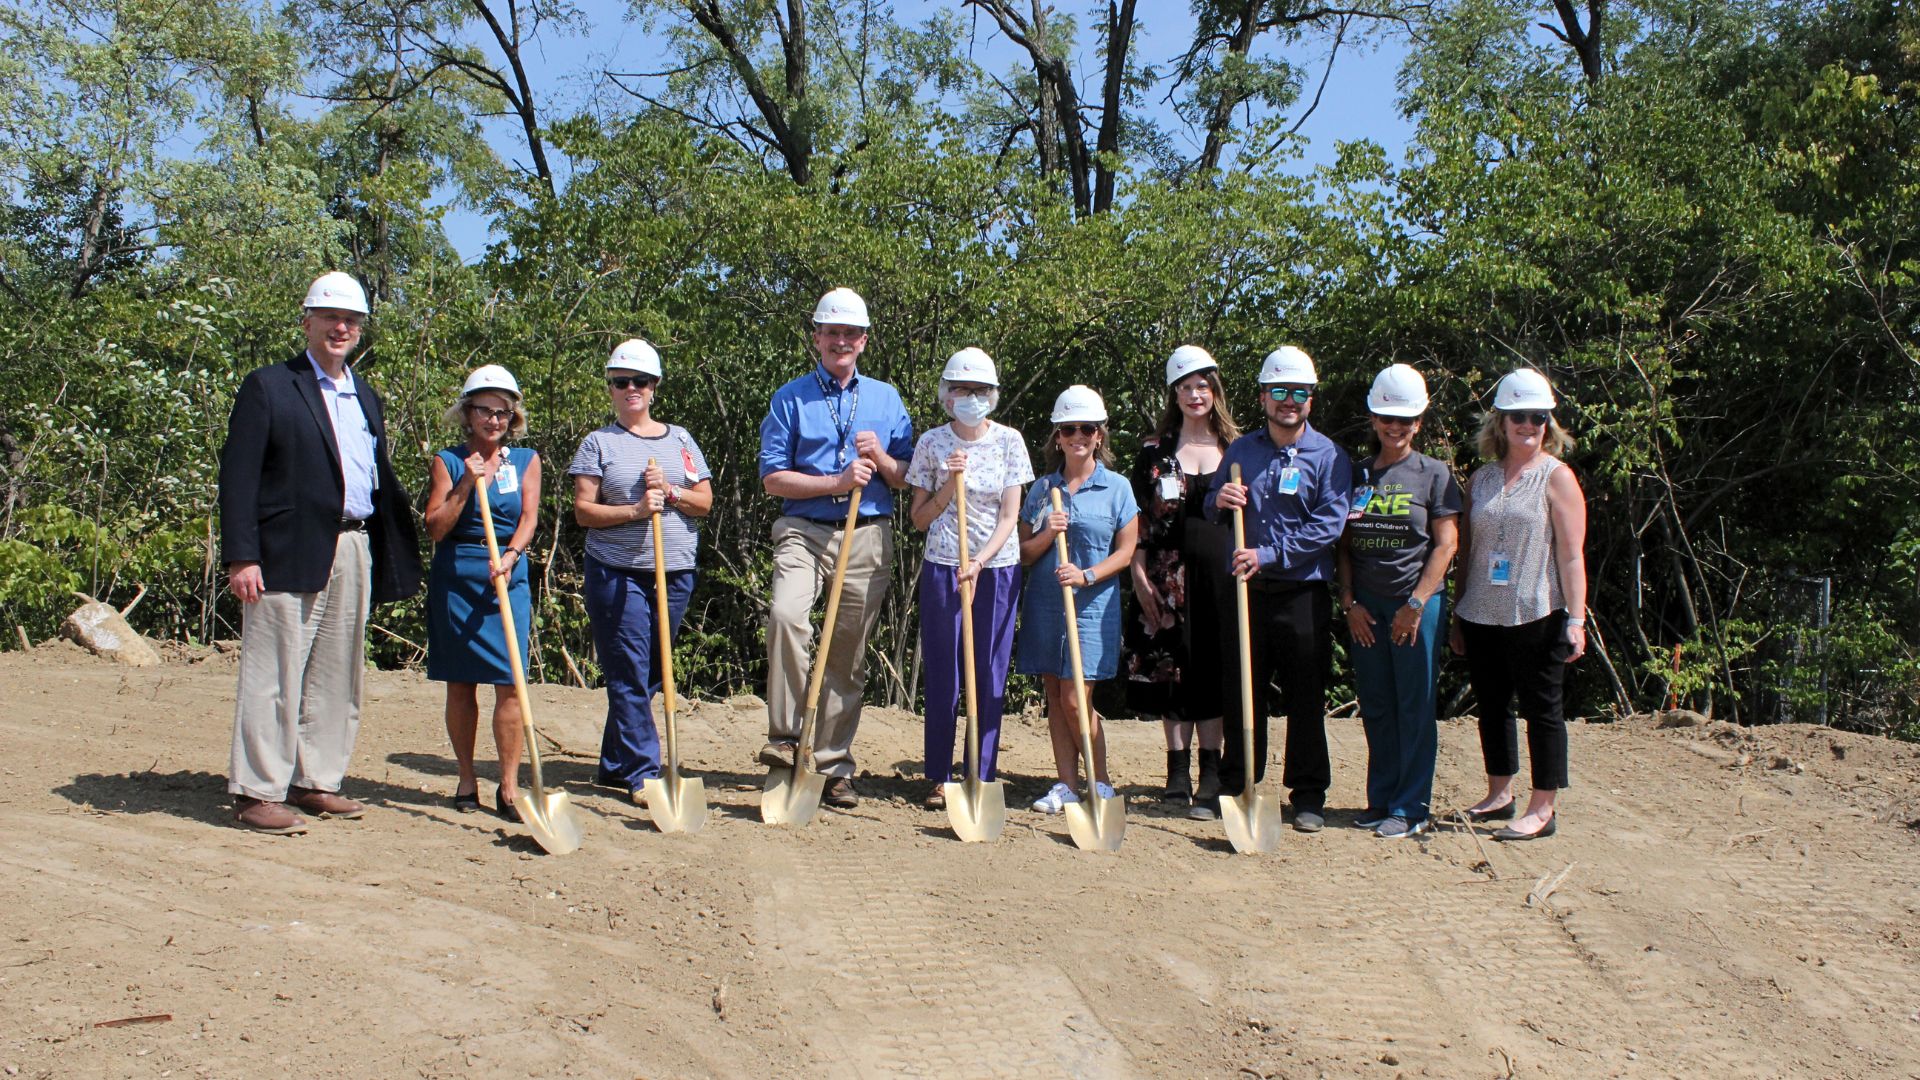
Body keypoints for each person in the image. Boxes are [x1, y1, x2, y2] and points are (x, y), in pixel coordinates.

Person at [218, 271, 423, 834]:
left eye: (351, 320)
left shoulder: (365, 395)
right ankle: (258, 790)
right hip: (285, 546)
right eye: (331, 317)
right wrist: (242, 555)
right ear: (307, 321)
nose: (341, 328)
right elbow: (237, 477)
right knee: (275, 670)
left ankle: (317, 781)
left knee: (339, 672)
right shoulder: (269, 387)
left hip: (354, 543)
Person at [757, 288, 913, 809]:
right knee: (786, 615)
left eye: (850, 334)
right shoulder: (790, 396)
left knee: (847, 656)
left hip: (867, 533)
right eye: (832, 332)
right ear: (817, 338)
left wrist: (883, 461)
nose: (841, 341)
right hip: (804, 529)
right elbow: (773, 479)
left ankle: (831, 764)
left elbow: (911, 476)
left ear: (864, 341)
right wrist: (835, 481)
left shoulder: (887, 399)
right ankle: (786, 738)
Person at [1207, 345, 1352, 833]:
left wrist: (1266, 555)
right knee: (1243, 690)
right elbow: (1212, 503)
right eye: (1279, 393)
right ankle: (1238, 783)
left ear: (1310, 398)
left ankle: (1308, 794)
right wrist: (1219, 497)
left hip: (1302, 593)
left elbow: (1327, 526)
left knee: (1306, 694)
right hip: (1246, 591)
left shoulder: (1330, 456)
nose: (1289, 402)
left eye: (1299, 393)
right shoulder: (1242, 450)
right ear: (1264, 397)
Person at [570, 339, 714, 804]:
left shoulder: (682, 439)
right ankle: (644, 774)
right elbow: (584, 512)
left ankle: (614, 765)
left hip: (674, 570)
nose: (631, 389)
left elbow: (704, 502)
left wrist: (670, 492)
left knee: (653, 671)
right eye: (621, 382)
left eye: (640, 382)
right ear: (611, 388)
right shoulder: (599, 443)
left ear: (654, 388)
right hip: (618, 572)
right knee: (630, 669)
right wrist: (634, 509)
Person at [1449, 367, 1588, 841]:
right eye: (1519, 416)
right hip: (1482, 610)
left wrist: (1576, 618)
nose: (1529, 425)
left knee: (1542, 709)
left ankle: (1543, 807)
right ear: (1501, 422)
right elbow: (1467, 548)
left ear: (1548, 423)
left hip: (1536, 610)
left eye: (1538, 416)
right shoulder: (1482, 479)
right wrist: (1458, 609)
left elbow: (1571, 554)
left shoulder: (1558, 477)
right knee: (1491, 705)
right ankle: (1498, 793)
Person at [1336, 364, 1461, 839]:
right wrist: (1349, 603)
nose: (1395, 427)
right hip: (1368, 606)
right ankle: (1381, 798)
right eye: (1387, 418)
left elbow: (1446, 544)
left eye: (1405, 421)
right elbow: (1343, 544)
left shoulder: (1434, 475)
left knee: (1413, 705)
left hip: (1416, 605)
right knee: (1377, 704)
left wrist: (1416, 603)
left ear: (1418, 424)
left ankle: (1411, 807)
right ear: (1373, 419)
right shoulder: (1358, 474)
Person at [906, 348, 1032, 810]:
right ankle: (938, 776)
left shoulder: (1009, 442)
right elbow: (919, 519)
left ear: (992, 396)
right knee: (945, 675)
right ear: (946, 396)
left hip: (995, 570)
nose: (970, 397)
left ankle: (980, 774)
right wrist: (947, 485)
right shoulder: (932, 444)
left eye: (979, 390)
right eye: (961, 389)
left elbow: (1010, 516)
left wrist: (979, 562)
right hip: (943, 564)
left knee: (989, 672)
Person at [1122, 345, 1240, 820]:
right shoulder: (1154, 451)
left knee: (1211, 672)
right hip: (1164, 578)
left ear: (1215, 391)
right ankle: (1176, 775)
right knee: (1172, 672)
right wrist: (1137, 575)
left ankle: (1211, 776)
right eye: (1186, 386)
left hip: (1222, 578)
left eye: (1203, 385)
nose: (1196, 394)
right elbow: (1136, 522)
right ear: (1174, 393)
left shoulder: (1238, 449)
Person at [423, 365, 540, 822]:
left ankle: (508, 786)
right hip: (458, 573)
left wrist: (511, 557)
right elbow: (435, 527)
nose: (494, 420)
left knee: (510, 681)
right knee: (461, 681)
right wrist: (468, 482)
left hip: (505, 573)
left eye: (503, 412)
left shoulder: (525, 461)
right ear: (467, 413)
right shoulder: (448, 461)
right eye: (485, 411)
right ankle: (467, 779)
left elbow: (528, 518)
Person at [1016, 386, 1140, 814]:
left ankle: (1100, 782)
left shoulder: (1117, 488)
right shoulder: (1042, 489)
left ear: (1099, 435)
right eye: (1069, 429)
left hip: (1093, 607)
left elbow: (1126, 552)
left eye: (1087, 428)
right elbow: (1024, 553)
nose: (1078, 436)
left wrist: (1086, 575)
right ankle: (1066, 785)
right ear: (1057, 436)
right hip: (1047, 604)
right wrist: (1049, 532)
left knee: (1076, 698)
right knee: (1054, 695)